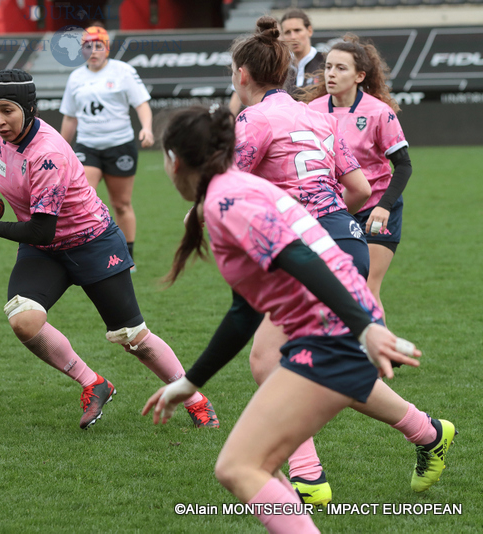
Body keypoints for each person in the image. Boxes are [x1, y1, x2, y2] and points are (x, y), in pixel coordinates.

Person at [142, 104, 455, 533]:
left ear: (174, 161)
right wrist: (190, 381)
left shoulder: (226, 199)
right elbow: (244, 310)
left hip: (334, 334)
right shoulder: (237, 189)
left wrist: (365, 329)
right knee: (260, 467)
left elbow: (301, 257)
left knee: (240, 468)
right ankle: (421, 435)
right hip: (338, 328)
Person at [0, 69, 219, 430]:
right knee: (23, 319)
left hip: (91, 243)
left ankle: (194, 398)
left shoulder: (48, 154)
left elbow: (42, 230)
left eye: (7, 110)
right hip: (44, 250)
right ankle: (94, 383)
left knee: (133, 338)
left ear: (30, 108)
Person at [231, 17, 373, 503]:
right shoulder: (320, 114)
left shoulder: (252, 120)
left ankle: (308, 476)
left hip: (309, 250)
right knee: (320, 363)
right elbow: (359, 189)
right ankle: (427, 432)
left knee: (269, 357)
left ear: (242, 75)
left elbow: (230, 190)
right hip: (348, 241)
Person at [302, 34, 411, 322]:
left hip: (378, 210)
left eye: (341, 68)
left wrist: (384, 206)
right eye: (328, 67)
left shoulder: (378, 112)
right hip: (335, 211)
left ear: (360, 75)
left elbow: (403, 165)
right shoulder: (311, 111)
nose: (331, 74)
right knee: (331, 288)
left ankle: (378, 363)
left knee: (365, 286)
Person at [60, 26, 153, 270]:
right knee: (83, 199)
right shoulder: (76, 77)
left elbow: (141, 104)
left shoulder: (123, 72)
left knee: (121, 203)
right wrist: (60, 146)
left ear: (106, 48)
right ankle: (88, 250)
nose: (93, 51)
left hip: (119, 145)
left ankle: (127, 255)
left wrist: (147, 128)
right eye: (87, 46)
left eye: (98, 45)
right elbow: (70, 117)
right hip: (87, 146)